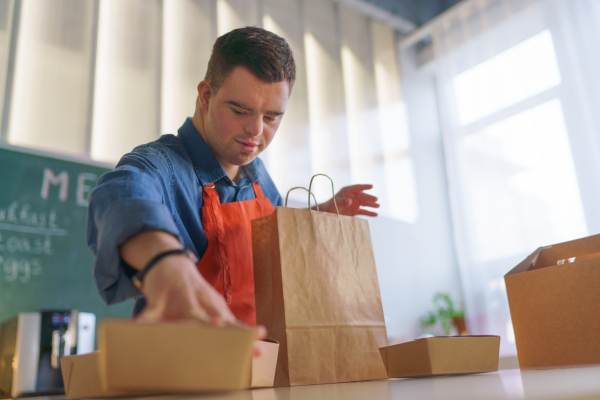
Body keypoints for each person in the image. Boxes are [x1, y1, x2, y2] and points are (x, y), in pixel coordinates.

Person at [87, 27, 380, 333]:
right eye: (240, 111)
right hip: (181, 368)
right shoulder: (163, 165)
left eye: (271, 117)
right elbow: (120, 193)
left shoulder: (258, 177)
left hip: (259, 361)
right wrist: (164, 259)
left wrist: (317, 217)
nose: (255, 131)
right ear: (206, 95)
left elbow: (272, 242)